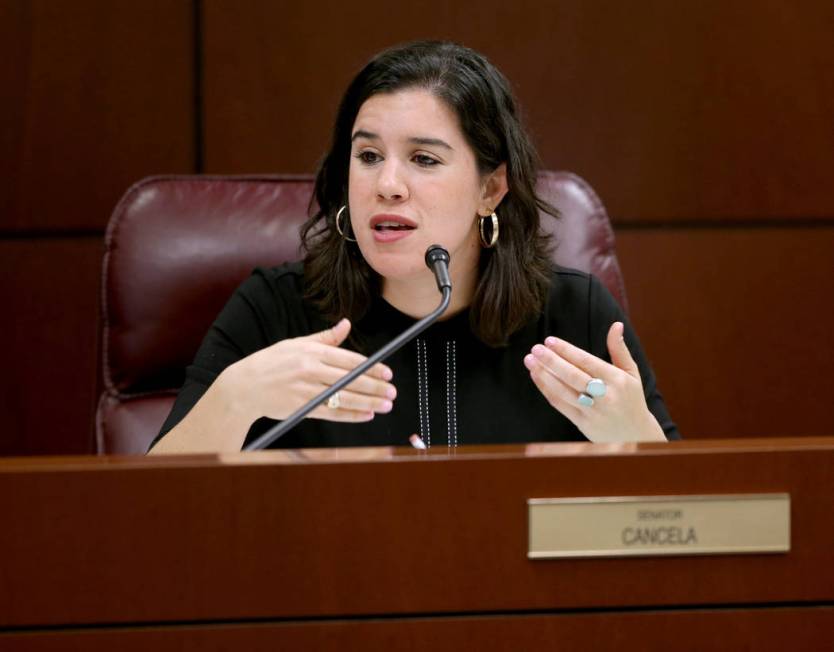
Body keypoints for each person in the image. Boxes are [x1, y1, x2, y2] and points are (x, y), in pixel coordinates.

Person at [148, 40, 678, 454]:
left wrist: (634, 436)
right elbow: (151, 508)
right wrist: (237, 398)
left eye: (424, 159)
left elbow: (679, 520)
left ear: (490, 189)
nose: (387, 185)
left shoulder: (572, 319)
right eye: (369, 155)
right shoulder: (277, 311)